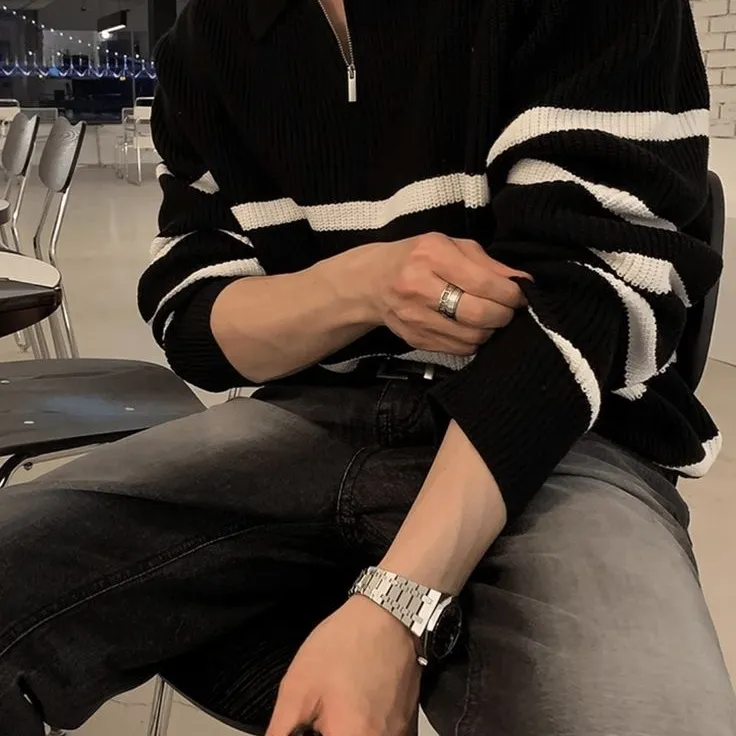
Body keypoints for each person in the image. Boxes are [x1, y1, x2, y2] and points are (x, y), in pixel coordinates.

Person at [1, 0, 735, 734]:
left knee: (639, 715)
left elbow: (593, 299)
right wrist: (364, 286)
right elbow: (192, 316)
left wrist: (396, 604)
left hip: (566, 430)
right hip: (309, 416)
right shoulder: (211, 33)